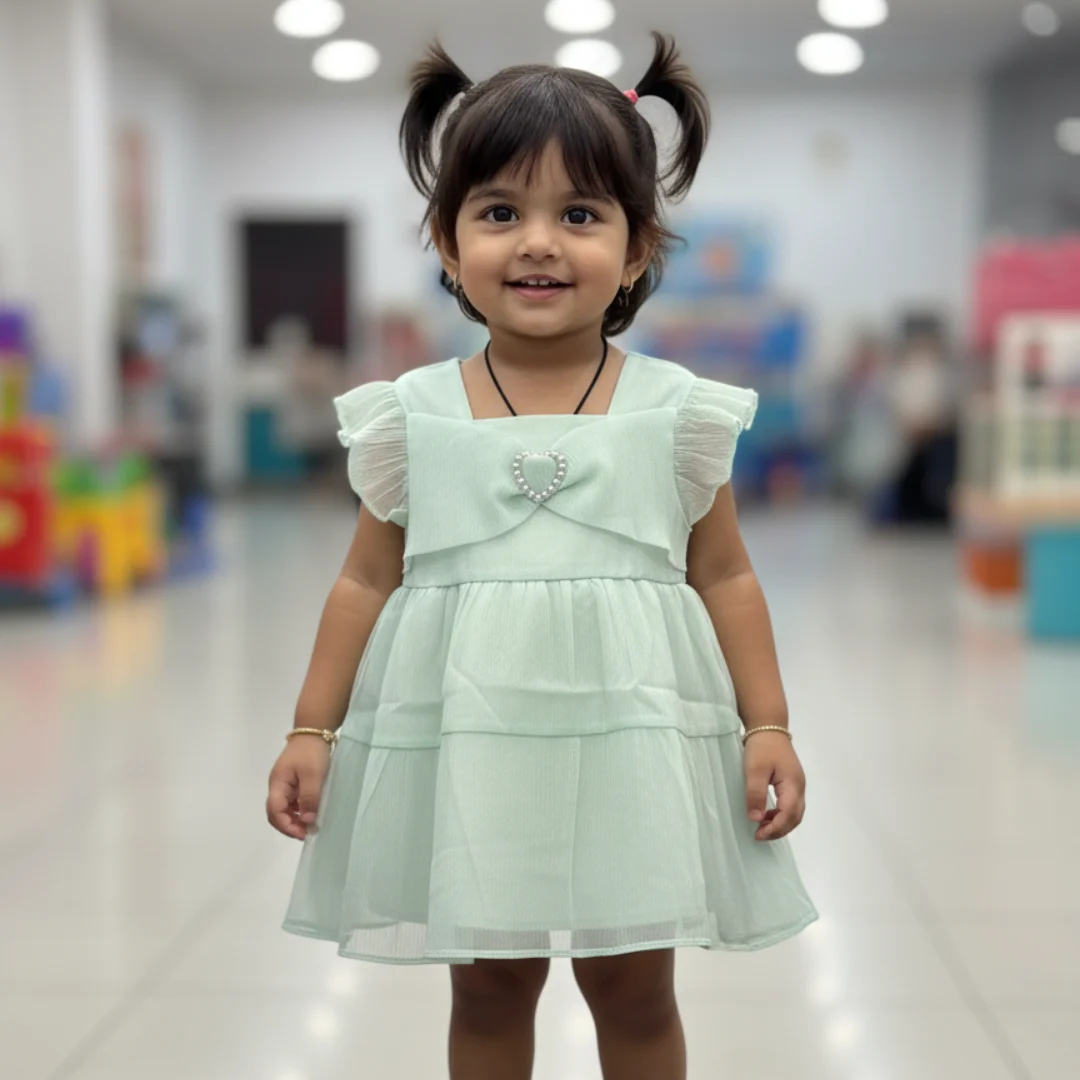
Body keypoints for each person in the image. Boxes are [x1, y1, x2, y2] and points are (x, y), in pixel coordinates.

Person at [267, 34, 817, 1080]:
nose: (538, 244)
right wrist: (311, 728)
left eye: (580, 215)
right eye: (499, 212)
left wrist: (768, 725)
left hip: (631, 739)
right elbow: (365, 578)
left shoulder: (676, 412)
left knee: (635, 989)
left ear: (639, 248)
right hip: (472, 740)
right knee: (487, 986)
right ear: (445, 240)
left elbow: (726, 574)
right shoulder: (411, 414)